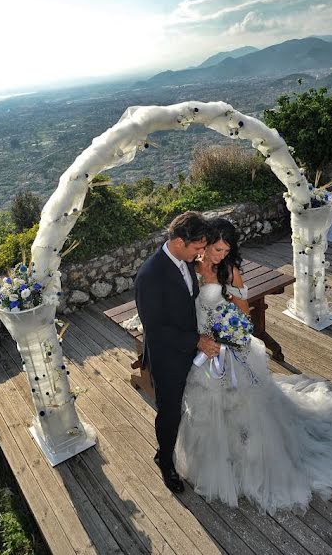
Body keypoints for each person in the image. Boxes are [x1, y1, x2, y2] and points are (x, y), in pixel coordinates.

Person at [175, 217, 332, 513]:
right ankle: (217, 460)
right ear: (204, 243)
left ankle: (249, 457)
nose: (219, 255)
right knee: (206, 407)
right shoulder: (188, 269)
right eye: (216, 249)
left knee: (245, 407)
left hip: (230, 349)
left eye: (225, 250)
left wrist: (228, 330)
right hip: (200, 348)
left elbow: (243, 316)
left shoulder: (230, 272)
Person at [135, 211, 220, 493]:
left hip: (191, 347)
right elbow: (156, 329)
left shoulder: (185, 262)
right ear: (180, 242)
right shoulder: (150, 275)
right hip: (167, 356)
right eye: (197, 248)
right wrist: (196, 340)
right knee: (170, 412)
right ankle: (164, 459)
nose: (201, 253)